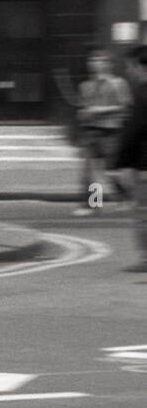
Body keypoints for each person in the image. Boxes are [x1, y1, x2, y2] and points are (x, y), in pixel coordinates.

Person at [73, 47, 134, 216]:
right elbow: (82, 108)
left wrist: (98, 111)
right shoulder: (85, 86)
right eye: (92, 60)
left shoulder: (118, 83)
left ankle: (125, 198)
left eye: (99, 60)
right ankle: (93, 205)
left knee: (111, 172)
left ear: (108, 64)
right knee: (90, 172)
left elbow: (124, 107)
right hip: (91, 132)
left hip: (111, 132)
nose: (94, 64)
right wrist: (83, 114)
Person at [113, 44, 147, 271]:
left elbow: (134, 130)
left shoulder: (142, 93)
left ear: (138, 66)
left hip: (144, 165)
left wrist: (121, 163)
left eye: (129, 67)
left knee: (143, 213)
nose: (128, 72)